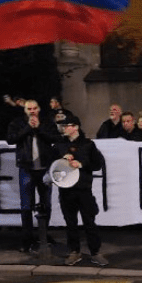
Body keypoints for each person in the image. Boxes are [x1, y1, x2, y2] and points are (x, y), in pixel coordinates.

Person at [52, 114, 108, 267]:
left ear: (76, 127)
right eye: (63, 126)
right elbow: (52, 165)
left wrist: (81, 164)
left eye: (67, 125)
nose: (64, 128)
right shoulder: (59, 145)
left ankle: (95, 252)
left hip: (83, 189)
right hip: (66, 190)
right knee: (70, 222)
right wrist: (62, 159)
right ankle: (74, 251)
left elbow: (98, 164)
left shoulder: (88, 144)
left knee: (89, 222)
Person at [6, 99, 59, 253]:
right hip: (26, 168)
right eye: (29, 109)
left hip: (44, 168)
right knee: (26, 206)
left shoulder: (47, 122)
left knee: (46, 204)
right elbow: (11, 139)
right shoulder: (17, 123)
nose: (33, 111)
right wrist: (29, 128)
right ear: (25, 110)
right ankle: (27, 239)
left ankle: (44, 236)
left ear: (39, 108)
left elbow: (55, 138)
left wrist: (39, 128)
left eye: (35, 108)